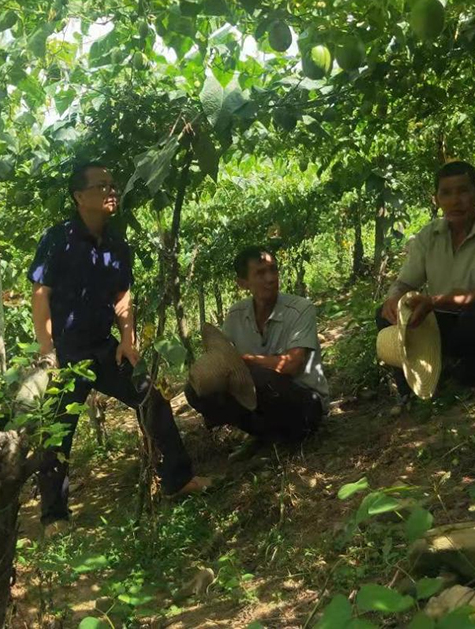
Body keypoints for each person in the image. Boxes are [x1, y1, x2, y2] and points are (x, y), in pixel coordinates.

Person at [29, 161, 210, 534]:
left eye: (113, 185)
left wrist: (127, 339)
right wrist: (48, 350)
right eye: (101, 186)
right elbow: (40, 293)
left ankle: (177, 479)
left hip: (104, 347)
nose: (111, 191)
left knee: (151, 400)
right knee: (57, 433)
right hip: (66, 353)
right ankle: (54, 516)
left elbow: (122, 293)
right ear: (80, 197)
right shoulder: (57, 239)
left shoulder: (116, 244)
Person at [376, 161, 475, 402]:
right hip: (440, 321)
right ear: (436, 199)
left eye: (463, 191)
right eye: (446, 193)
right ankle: (409, 387)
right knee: (385, 315)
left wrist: (433, 301)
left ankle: (471, 377)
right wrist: (393, 298)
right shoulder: (429, 235)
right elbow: (406, 282)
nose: (455, 201)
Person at [185, 246, 328, 449]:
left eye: (273, 270)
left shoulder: (300, 309)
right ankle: (265, 435)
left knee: (259, 378)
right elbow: (224, 358)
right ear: (243, 283)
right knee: (195, 389)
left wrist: (247, 361)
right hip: (262, 401)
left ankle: (293, 435)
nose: (270, 278)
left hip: (305, 405)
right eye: (260, 273)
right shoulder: (236, 315)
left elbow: (292, 365)